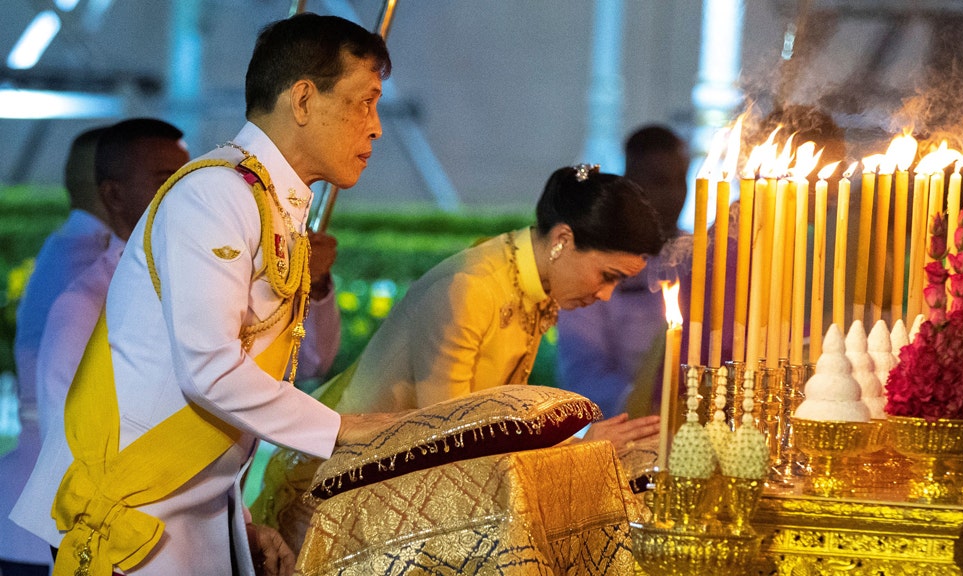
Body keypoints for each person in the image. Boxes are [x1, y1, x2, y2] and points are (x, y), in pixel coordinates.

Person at [14, 14, 395, 576]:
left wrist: (238, 524)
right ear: (304, 100)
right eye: (365, 101)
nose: (377, 126)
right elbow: (209, 370)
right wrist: (343, 432)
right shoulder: (216, 194)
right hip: (133, 515)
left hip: (183, 516)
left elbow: (198, 396)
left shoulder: (263, 201)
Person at [251, 164, 668, 538]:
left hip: (411, 489)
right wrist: (577, 451)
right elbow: (451, 441)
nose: (607, 294)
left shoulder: (533, 284)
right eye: (607, 275)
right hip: (342, 492)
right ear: (562, 239)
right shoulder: (470, 288)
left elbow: (490, 423)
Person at [557, 125, 736, 417]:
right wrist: (645, 403)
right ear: (630, 185)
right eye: (659, 182)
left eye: (680, 181)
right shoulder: (592, 263)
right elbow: (583, 373)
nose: (674, 194)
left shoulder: (704, 258)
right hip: (627, 423)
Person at [1, 126, 111, 576]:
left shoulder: (66, 251)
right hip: (49, 515)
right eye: (163, 173)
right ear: (115, 186)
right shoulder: (86, 265)